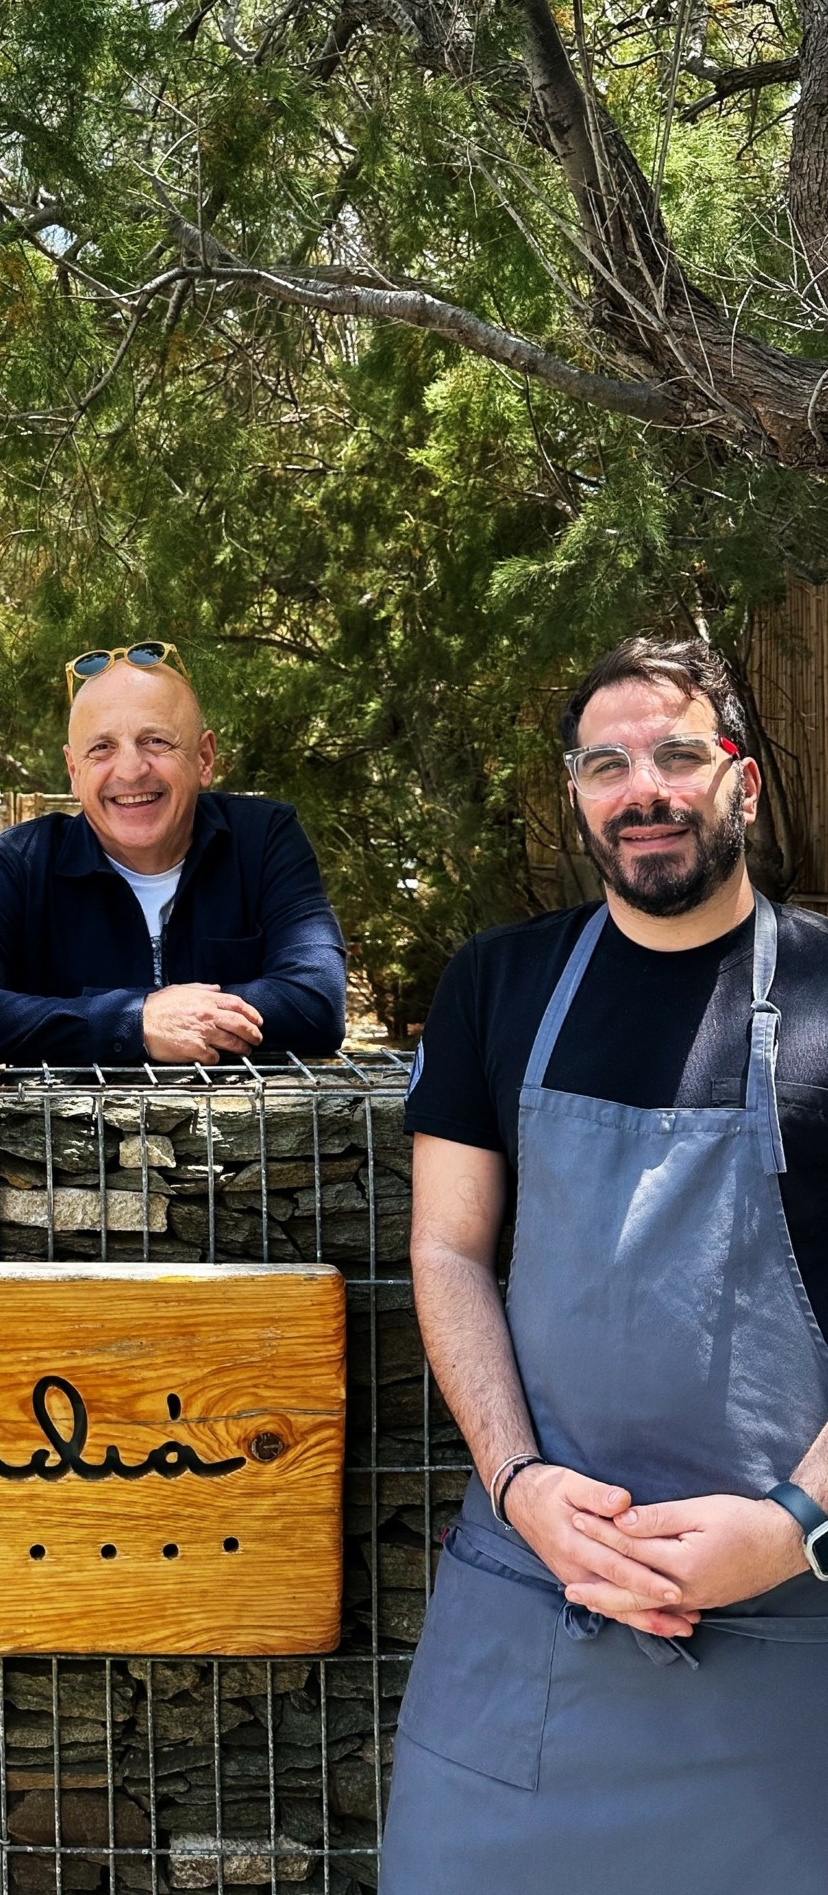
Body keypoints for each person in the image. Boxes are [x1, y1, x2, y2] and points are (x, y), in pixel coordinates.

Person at [386, 635, 828, 1893]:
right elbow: (449, 1248)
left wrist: (796, 1526)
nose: (647, 787)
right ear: (577, 793)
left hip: (790, 1633)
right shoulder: (498, 983)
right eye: (608, 763)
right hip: (535, 1606)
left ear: (738, 775)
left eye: (679, 753)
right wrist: (521, 1482)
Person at [0, 639, 345, 1066]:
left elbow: (315, 1003)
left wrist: (108, 1021)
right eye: (102, 748)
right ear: (74, 772)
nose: (130, 769)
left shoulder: (264, 838)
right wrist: (136, 1021)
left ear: (204, 758)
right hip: (58, 1141)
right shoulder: (21, 863)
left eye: (156, 741)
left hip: (248, 1140)